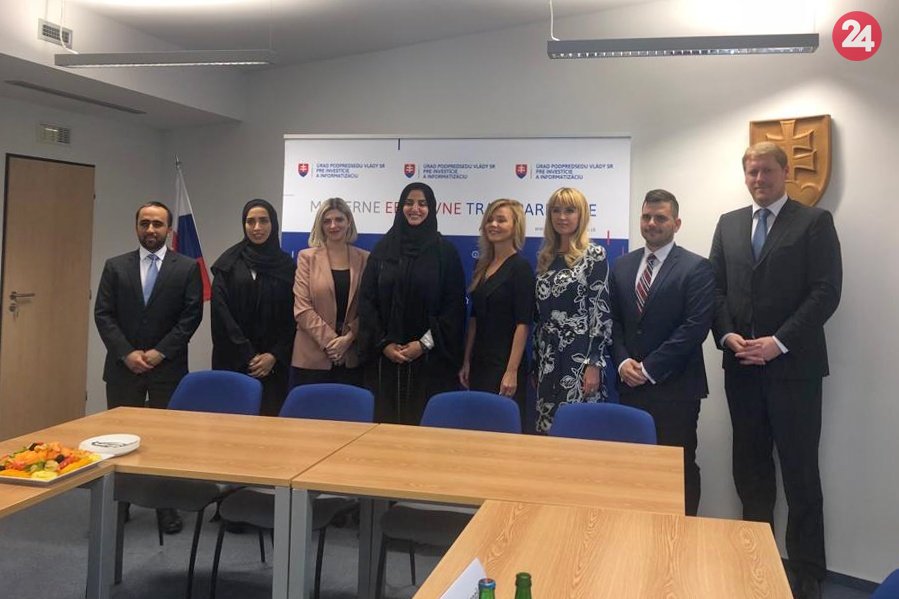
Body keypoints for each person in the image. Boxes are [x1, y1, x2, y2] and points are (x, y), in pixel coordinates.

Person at [709, 142, 842, 599]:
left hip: (794, 370)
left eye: (766, 171)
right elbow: (715, 291)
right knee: (750, 471)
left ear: (785, 173)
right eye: (752, 172)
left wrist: (778, 342)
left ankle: (807, 573)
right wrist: (727, 335)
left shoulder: (814, 222)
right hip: (741, 369)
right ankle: (755, 561)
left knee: (800, 473)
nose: (758, 179)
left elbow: (826, 292)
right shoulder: (728, 224)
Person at [94, 201, 203, 534]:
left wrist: (159, 353)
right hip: (123, 368)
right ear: (136, 227)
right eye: (145, 223)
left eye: (157, 224)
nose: (151, 230)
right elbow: (103, 314)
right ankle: (120, 504)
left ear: (168, 229)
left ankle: (165, 507)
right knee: (118, 440)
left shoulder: (186, 268)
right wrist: (127, 353)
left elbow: (191, 317)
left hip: (167, 370)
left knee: (164, 442)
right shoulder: (115, 267)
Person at [609, 189, 714, 516]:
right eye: (646, 217)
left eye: (660, 218)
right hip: (630, 388)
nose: (652, 223)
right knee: (633, 468)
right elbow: (613, 322)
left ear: (676, 223)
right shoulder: (622, 265)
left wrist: (649, 368)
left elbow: (694, 328)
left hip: (676, 391)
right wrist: (623, 362)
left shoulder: (697, 268)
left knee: (678, 466)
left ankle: (682, 532)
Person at [358, 182, 466, 424]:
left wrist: (423, 344)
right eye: (409, 203)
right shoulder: (382, 250)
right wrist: (385, 343)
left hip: (430, 362)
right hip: (385, 362)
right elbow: (367, 302)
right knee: (382, 432)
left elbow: (454, 309)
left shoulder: (445, 253)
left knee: (426, 432)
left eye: (422, 203)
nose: (415, 209)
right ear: (400, 207)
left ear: (432, 208)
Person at [533, 187, 611, 434]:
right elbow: (540, 318)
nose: (562, 217)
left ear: (582, 215)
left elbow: (600, 313)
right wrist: (536, 362)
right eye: (556, 210)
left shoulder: (593, 255)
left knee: (577, 431)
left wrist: (594, 365)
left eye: (569, 210)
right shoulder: (546, 257)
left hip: (579, 358)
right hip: (547, 359)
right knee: (547, 431)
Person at [210, 199, 296, 416]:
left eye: (263, 221)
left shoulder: (287, 266)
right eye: (251, 221)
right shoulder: (228, 264)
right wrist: (247, 354)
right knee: (231, 423)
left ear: (273, 224)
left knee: (270, 425)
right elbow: (221, 312)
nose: (257, 227)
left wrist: (273, 356)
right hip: (233, 360)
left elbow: (293, 317)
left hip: (274, 366)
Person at [459, 199, 534, 427]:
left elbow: (523, 324)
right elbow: (474, 319)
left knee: (502, 430)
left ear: (515, 226)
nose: (493, 224)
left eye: (501, 220)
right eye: (490, 219)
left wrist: (511, 371)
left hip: (504, 365)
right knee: (477, 428)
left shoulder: (520, 268)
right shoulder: (481, 266)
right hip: (479, 363)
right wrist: (466, 361)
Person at [292, 198, 369, 388]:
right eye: (327, 221)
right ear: (321, 225)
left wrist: (348, 340)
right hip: (311, 358)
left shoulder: (365, 258)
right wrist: (333, 343)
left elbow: (369, 307)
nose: (333, 225)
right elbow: (302, 309)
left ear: (348, 221)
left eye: (339, 219)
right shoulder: (306, 257)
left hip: (351, 357)